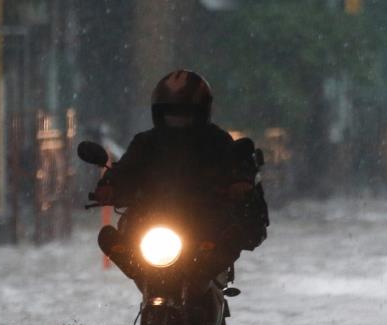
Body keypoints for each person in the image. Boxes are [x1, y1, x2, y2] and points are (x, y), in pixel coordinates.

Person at [91, 69, 268, 285]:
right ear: (158, 113)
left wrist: (239, 184)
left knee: (232, 233)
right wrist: (109, 185)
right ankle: (146, 279)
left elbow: (238, 165)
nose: (178, 120)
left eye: (186, 113)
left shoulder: (218, 141)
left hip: (204, 224)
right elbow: (127, 169)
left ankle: (209, 291)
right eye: (171, 113)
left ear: (202, 112)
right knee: (112, 236)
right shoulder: (146, 143)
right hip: (155, 222)